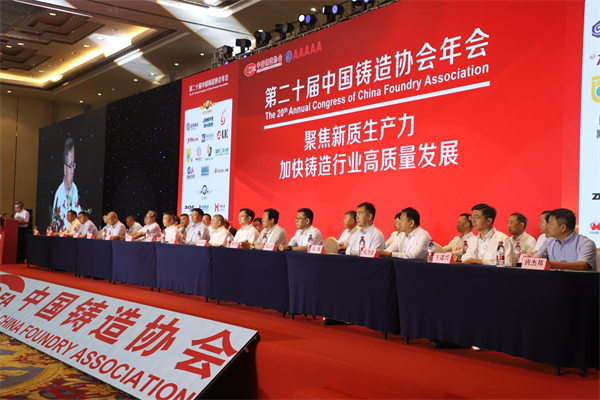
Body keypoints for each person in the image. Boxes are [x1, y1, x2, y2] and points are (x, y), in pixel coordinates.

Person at [52, 137, 81, 231]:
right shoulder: (59, 194)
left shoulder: (74, 188)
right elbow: (55, 222)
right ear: (65, 168)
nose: (72, 171)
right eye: (70, 166)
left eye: (74, 165)